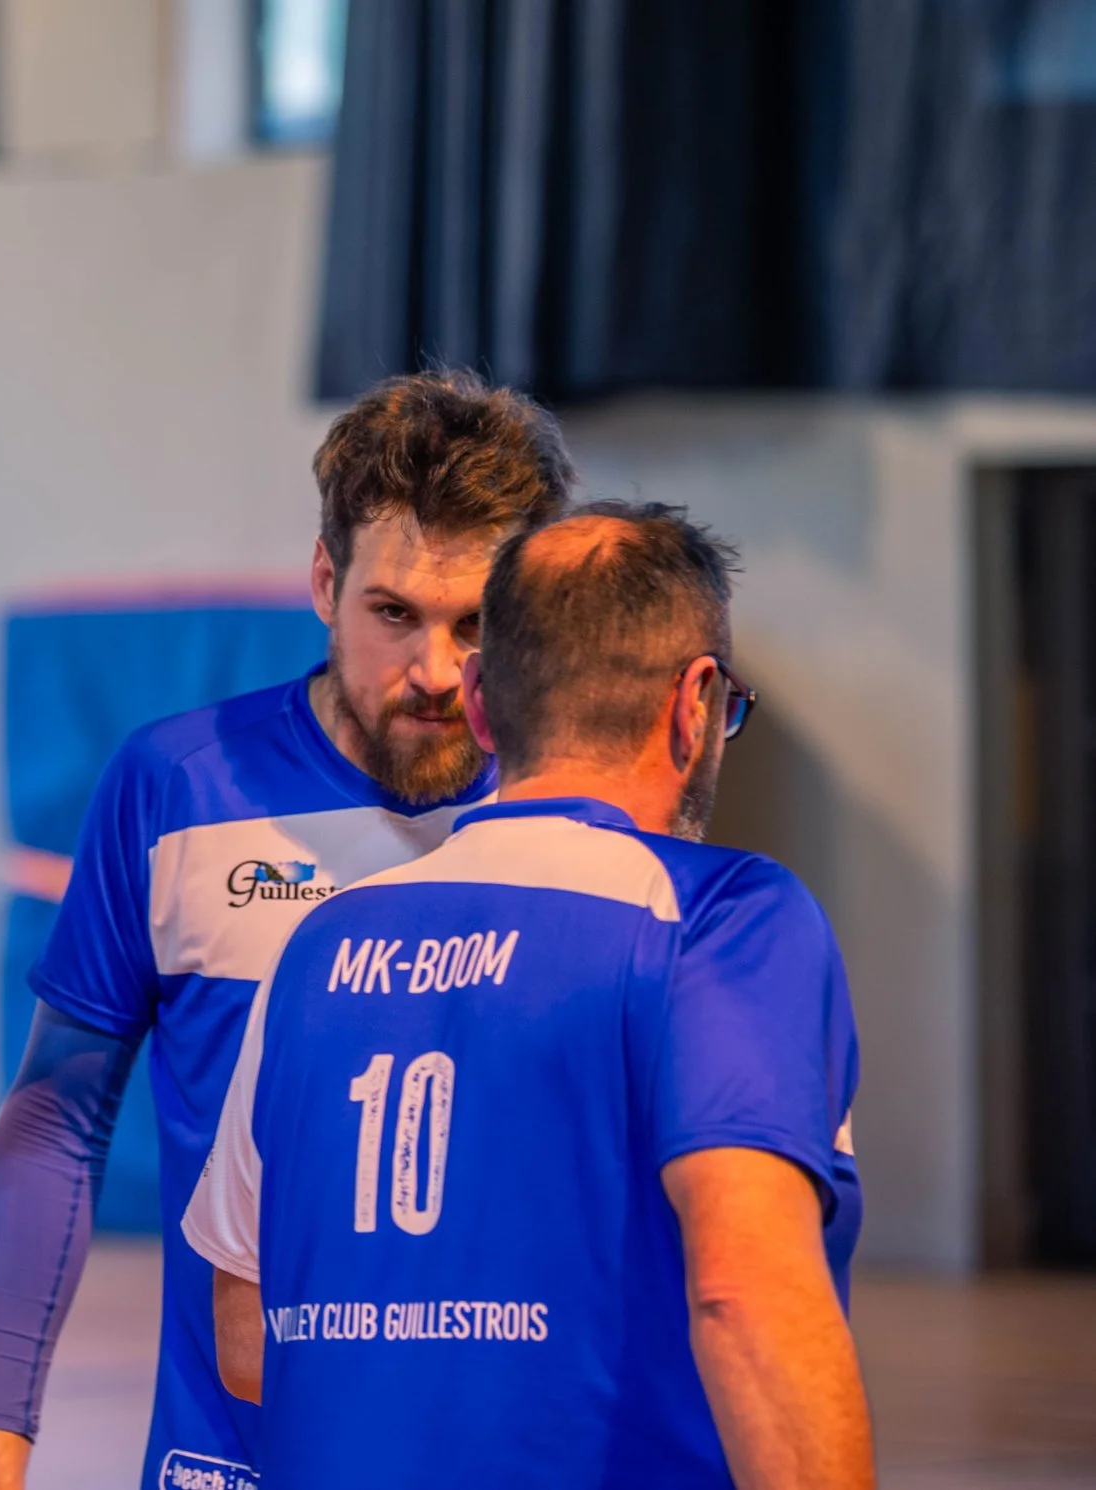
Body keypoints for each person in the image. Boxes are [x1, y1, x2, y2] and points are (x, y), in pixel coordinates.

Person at [0, 370, 575, 1489]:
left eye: (476, 625)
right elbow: (56, 1117)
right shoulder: (176, 786)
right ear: (324, 582)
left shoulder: (577, 821)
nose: (436, 672)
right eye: (393, 614)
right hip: (231, 1455)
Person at [192, 502, 872, 1485]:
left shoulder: (312, 948)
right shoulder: (722, 918)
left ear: (478, 700)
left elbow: (246, 1336)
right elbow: (746, 1296)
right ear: (695, 702)